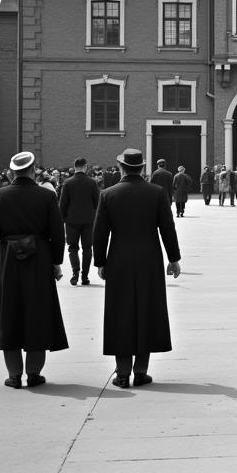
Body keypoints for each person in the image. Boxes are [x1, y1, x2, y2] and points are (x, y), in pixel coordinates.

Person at [93, 148, 181, 388]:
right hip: (149, 258)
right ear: (142, 168)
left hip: (119, 258)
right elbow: (167, 228)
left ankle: (122, 374)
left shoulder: (108, 194)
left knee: (120, 312)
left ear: (121, 167)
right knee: (148, 310)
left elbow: (99, 233)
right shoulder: (156, 193)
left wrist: (100, 261)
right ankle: (141, 372)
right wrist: (173, 258)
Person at [0, 151, 68, 388]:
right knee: (37, 311)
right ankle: (33, 373)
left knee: (8, 312)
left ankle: (14, 375)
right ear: (33, 171)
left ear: (11, 172)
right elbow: (57, 233)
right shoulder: (46, 196)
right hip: (39, 255)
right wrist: (56, 261)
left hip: (9, 255)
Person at [59, 156, 101, 285]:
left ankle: (75, 273)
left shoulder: (67, 182)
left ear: (74, 167)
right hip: (89, 220)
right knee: (87, 248)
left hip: (71, 221)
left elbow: (63, 205)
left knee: (72, 248)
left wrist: (62, 221)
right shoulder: (92, 182)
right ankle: (85, 276)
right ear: (85, 167)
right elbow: (97, 203)